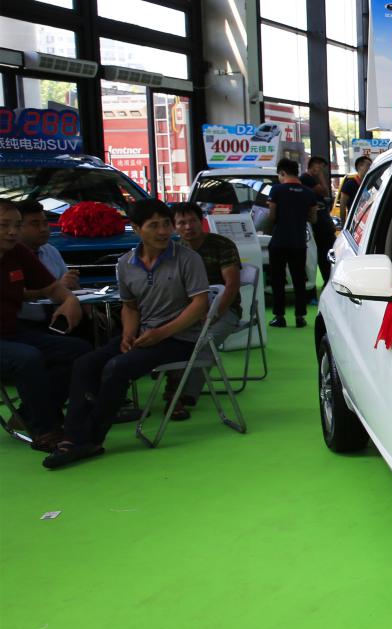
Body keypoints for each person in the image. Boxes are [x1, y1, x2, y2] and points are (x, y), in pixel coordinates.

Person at [44, 200, 208, 469]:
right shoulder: (125, 263)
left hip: (181, 338)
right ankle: (72, 436)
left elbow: (199, 305)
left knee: (117, 368)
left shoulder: (188, 259)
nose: (163, 231)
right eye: (154, 225)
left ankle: (90, 439)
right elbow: (130, 307)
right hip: (144, 335)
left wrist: (160, 333)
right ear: (137, 228)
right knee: (85, 363)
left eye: (166, 224)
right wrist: (128, 334)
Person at [0, 199, 89, 452]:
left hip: (11, 332)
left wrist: (70, 300)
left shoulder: (18, 253)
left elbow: (52, 287)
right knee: (28, 358)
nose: (12, 232)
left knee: (79, 350)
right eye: (4, 225)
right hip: (11, 338)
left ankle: (31, 414)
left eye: (16, 225)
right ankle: (46, 430)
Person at [169, 202, 243, 420]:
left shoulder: (222, 245)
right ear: (174, 227)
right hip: (189, 310)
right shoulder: (174, 250)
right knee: (172, 339)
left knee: (205, 341)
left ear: (201, 221)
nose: (188, 226)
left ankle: (182, 396)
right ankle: (174, 390)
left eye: (192, 220)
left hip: (224, 309)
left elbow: (232, 285)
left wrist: (214, 314)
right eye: (181, 223)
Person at [266, 157, 318, 328]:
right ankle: (300, 317)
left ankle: (279, 316)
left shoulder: (276, 190)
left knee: (278, 280)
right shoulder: (308, 192)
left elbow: (271, 216)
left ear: (282, 173)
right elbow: (313, 218)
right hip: (299, 242)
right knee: (299, 280)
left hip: (279, 241)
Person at [15, 200, 78, 322]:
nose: (43, 229)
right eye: (35, 224)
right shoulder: (8, 255)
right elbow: (14, 293)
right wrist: (58, 287)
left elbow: (70, 286)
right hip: (22, 322)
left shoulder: (50, 250)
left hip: (60, 318)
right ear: (17, 227)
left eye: (45, 223)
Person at [301, 155, 336, 284]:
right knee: (324, 249)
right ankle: (327, 278)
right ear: (313, 165)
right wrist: (321, 176)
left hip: (322, 219)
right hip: (318, 222)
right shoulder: (307, 178)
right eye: (320, 167)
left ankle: (329, 277)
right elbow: (325, 192)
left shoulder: (310, 180)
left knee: (327, 248)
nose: (322, 171)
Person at [336, 154, 373, 220]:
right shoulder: (349, 184)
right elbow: (342, 206)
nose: (370, 168)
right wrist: (343, 223)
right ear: (360, 166)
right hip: (354, 220)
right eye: (368, 165)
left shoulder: (370, 183)